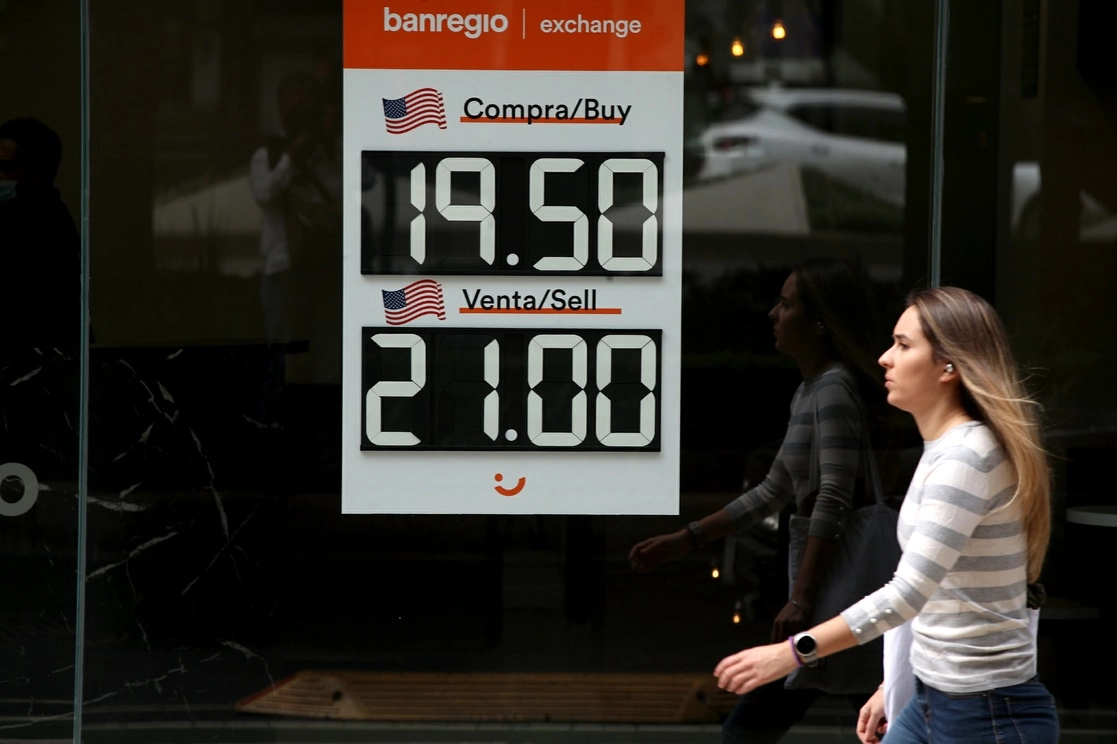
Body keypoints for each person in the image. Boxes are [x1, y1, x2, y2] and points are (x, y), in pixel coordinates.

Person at [713, 286, 1059, 744]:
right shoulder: (944, 451)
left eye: (903, 344)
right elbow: (939, 596)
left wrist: (793, 654)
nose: (883, 358)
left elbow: (907, 595)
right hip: (934, 700)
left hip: (984, 716)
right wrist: (892, 686)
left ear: (949, 366)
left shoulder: (965, 458)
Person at [629, 257, 891, 743]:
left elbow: (833, 495)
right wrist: (686, 539)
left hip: (833, 592)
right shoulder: (810, 391)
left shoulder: (832, 389)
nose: (773, 313)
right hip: (831, 595)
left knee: (752, 728)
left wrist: (801, 598)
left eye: (786, 304)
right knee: (879, 714)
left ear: (818, 321)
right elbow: (771, 492)